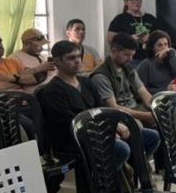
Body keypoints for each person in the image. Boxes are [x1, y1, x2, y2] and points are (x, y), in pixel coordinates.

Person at [36, 40, 131, 171]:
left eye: (78, 56)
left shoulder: (86, 82)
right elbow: (69, 123)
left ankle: (134, 181)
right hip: (74, 139)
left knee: (147, 136)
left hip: (95, 130)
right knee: (121, 148)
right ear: (57, 61)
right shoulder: (53, 90)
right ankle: (103, 186)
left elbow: (100, 109)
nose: (77, 61)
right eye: (71, 58)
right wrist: (104, 131)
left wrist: (112, 125)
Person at [89, 34, 161, 159]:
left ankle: (166, 166)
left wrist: (156, 112)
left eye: (132, 55)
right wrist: (146, 116)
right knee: (136, 124)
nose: (130, 59)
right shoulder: (101, 75)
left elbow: (145, 95)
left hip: (134, 108)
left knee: (169, 118)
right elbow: (113, 107)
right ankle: (139, 169)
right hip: (116, 115)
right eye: (127, 55)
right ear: (113, 51)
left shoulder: (129, 70)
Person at [107, 0, 159, 69]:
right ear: (126, 2)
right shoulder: (120, 19)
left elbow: (161, 37)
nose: (136, 2)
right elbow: (111, 39)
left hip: (150, 58)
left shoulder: (150, 18)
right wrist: (130, 39)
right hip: (130, 59)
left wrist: (150, 39)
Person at [137, 30, 176, 95]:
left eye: (166, 44)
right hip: (155, 99)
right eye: (159, 45)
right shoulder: (146, 64)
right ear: (152, 47)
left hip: (173, 97)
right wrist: (165, 90)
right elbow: (141, 90)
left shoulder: (171, 59)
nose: (164, 48)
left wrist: (172, 53)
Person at [9, 28, 55, 94]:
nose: (42, 48)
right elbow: (13, 80)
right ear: (27, 44)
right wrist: (37, 69)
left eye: (42, 45)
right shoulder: (14, 59)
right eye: (39, 45)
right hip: (35, 94)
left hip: (54, 90)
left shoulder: (44, 56)